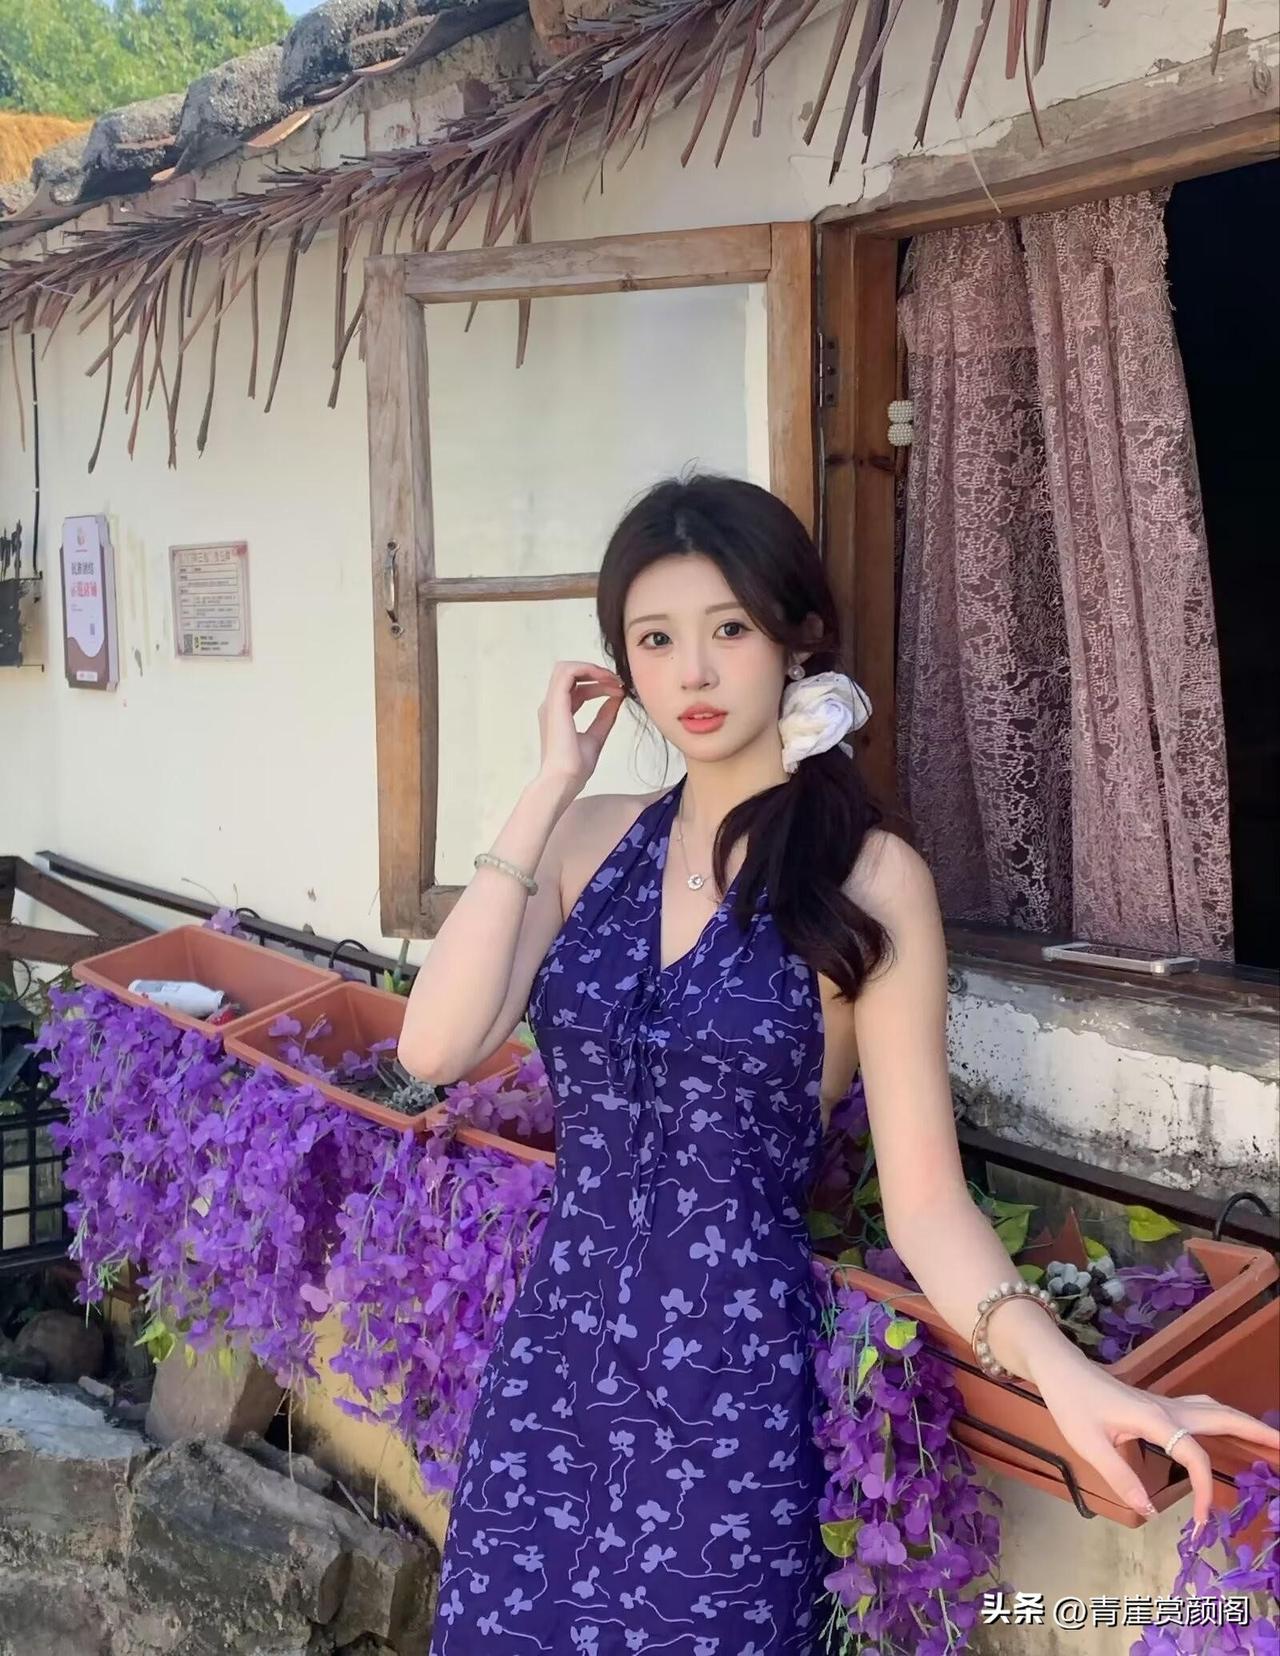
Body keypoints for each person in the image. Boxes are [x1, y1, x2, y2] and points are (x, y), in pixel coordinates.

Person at [401, 474, 1277, 1653]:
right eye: (654, 640)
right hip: (551, 1369)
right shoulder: (584, 839)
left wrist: (1068, 1377)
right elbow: (435, 1046)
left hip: (723, 1393)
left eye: (728, 629)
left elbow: (925, 1203)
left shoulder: (866, 880)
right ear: (620, 666)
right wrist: (547, 783)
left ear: (794, 638)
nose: (693, 672)